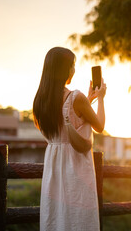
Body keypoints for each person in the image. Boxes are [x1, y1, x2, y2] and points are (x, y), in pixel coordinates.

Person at [33, 47, 106, 231]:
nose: (74, 70)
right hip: (76, 167)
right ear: (64, 69)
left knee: (57, 218)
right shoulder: (76, 97)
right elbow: (99, 126)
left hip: (53, 168)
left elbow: (66, 121)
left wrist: (88, 100)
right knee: (78, 220)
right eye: (72, 65)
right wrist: (101, 98)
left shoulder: (40, 101)